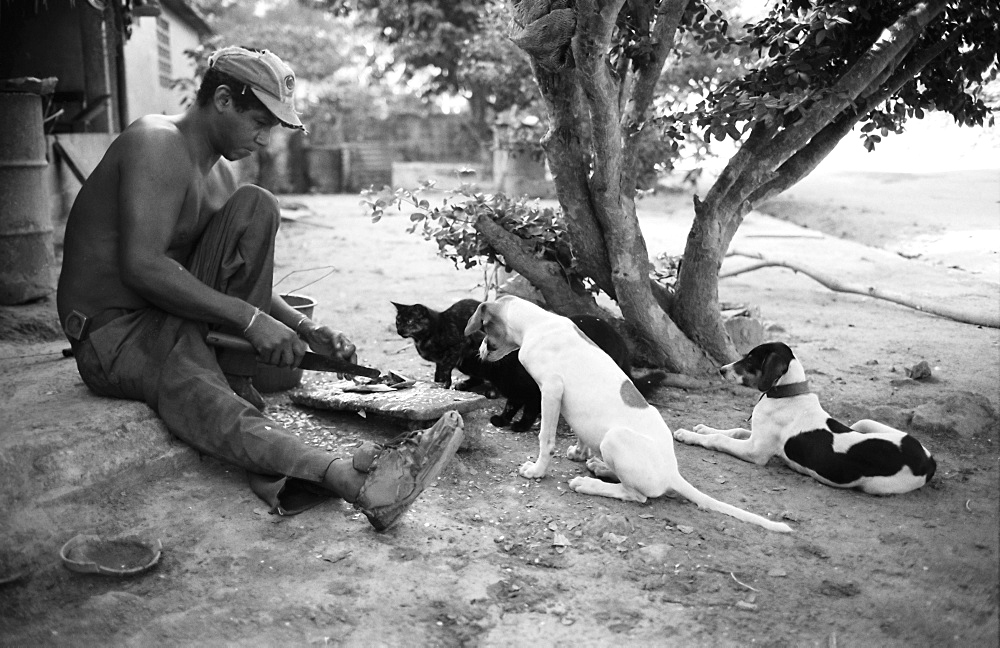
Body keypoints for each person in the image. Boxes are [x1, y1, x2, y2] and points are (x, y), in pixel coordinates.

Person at [56, 46, 463, 531]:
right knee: (201, 386)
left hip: (165, 316)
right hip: (113, 331)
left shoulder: (219, 171)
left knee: (256, 206)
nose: (266, 140)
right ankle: (354, 482)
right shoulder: (156, 143)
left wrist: (303, 327)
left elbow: (218, 270)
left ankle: (234, 379)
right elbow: (143, 266)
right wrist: (249, 321)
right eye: (260, 123)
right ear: (223, 99)